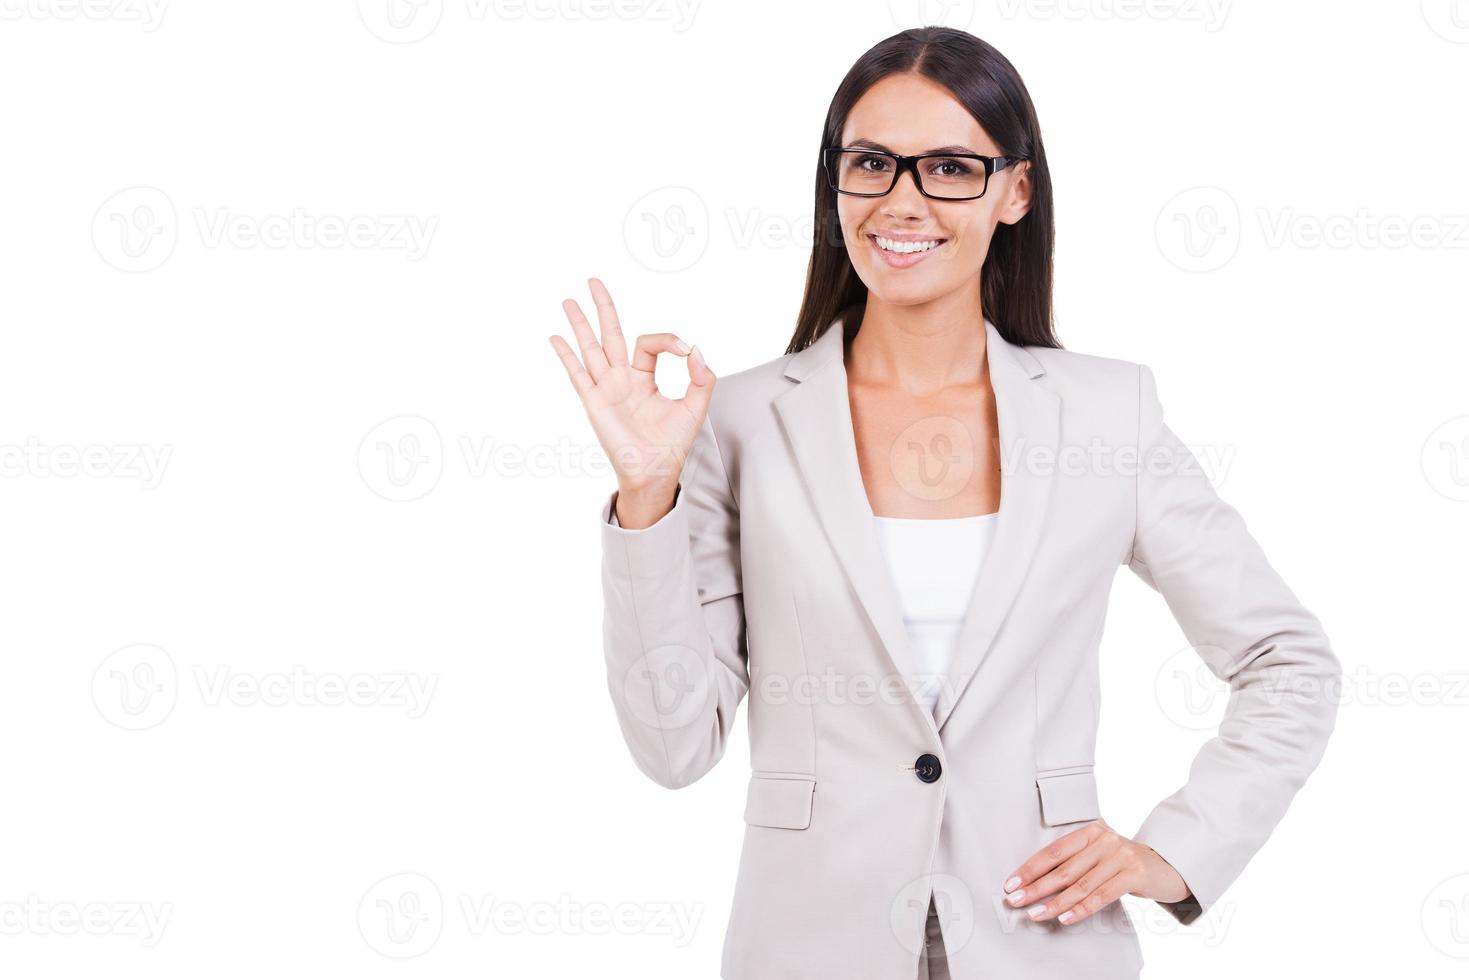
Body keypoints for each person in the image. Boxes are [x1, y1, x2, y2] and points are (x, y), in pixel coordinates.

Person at [549, 26, 1339, 980]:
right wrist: (647, 494)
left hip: (1044, 941)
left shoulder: (1104, 413)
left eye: (952, 167)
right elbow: (673, 747)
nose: (903, 201)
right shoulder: (738, 420)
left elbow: (1287, 662)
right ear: (834, 183)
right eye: (872, 163)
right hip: (806, 948)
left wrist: (1170, 852)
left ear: (1015, 192)